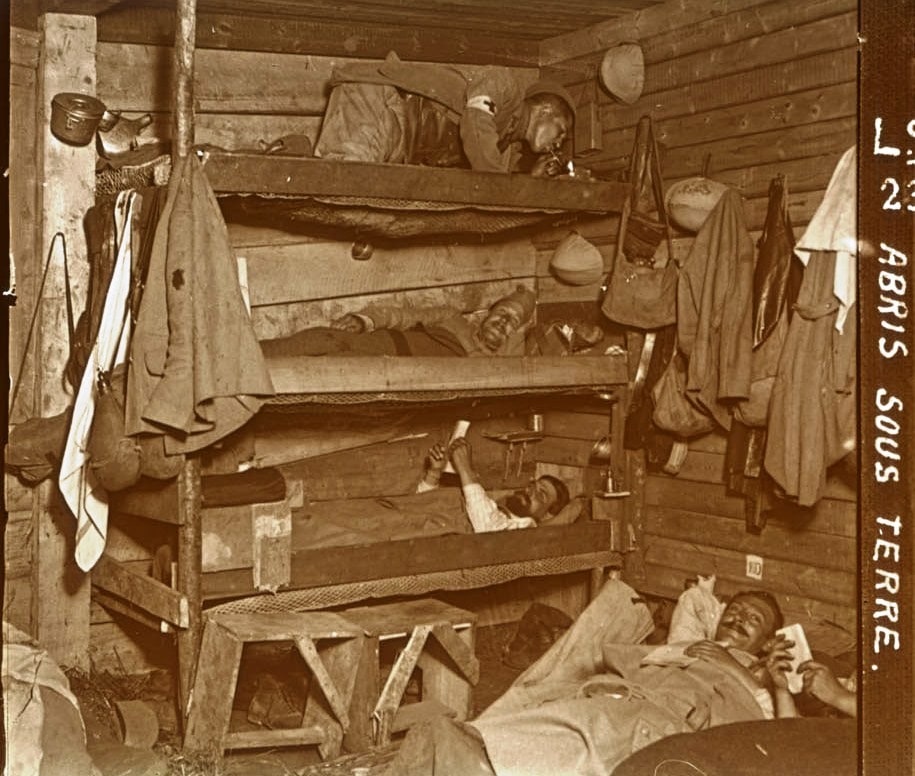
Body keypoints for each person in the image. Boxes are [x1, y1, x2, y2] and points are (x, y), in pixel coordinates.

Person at [386, 585, 794, 776]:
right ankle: (469, 746)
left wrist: (733, 664)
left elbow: (779, 738)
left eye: (752, 620)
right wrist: (709, 604)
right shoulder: (691, 643)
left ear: (765, 642)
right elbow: (695, 601)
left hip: (670, 715)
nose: (738, 619)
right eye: (734, 611)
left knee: (591, 727)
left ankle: (480, 761)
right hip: (629, 688)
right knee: (555, 705)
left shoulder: (761, 675)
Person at [313, 51, 574, 176]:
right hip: (380, 101)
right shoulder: (507, 85)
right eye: (562, 129)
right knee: (342, 178)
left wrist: (533, 178)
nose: (560, 141)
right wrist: (499, 181)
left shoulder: (504, 149)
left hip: (398, 144)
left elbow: (496, 188)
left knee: (349, 184)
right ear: (547, 109)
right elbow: (477, 118)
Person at [260, 285, 537, 358]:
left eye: (512, 322)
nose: (503, 322)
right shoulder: (453, 318)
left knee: (320, 368)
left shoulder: (495, 369)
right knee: (321, 339)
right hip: (386, 344)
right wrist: (364, 320)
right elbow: (402, 315)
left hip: (393, 372)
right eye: (502, 313)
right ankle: (244, 359)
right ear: (489, 312)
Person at [417, 439, 570, 531]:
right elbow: (422, 511)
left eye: (541, 495)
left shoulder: (525, 530)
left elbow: (489, 533)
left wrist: (464, 467)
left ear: (547, 515)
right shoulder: (493, 509)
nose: (530, 492)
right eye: (532, 486)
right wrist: (434, 473)